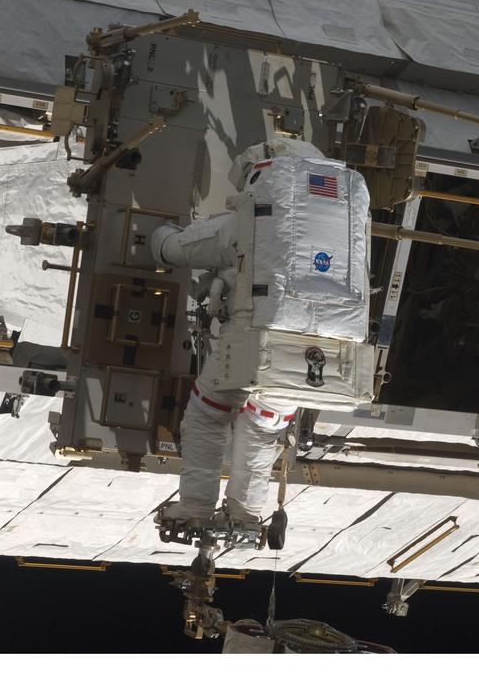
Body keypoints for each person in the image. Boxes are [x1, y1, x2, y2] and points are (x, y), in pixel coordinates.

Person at [153, 139, 369, 528]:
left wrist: (160, 240)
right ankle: (245, 513)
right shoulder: (345, 216)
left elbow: (192, 246)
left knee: (207, 416)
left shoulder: (262, 214)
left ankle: (196, 509)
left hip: (255, 344)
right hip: (321, 356)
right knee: (263, 427)